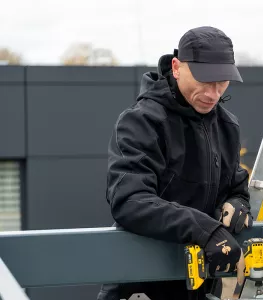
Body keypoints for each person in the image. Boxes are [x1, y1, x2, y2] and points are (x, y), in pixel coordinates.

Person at [97, 26, 253, 300]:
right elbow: (129, 201)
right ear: (177, 67)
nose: (214, 93)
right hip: (140, 286)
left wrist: (239, 204)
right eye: (205, 81)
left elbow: (236, 187)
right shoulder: (141, 122)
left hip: (197, 287)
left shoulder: (227, 126)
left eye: (222, 83)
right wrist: (206, 229)